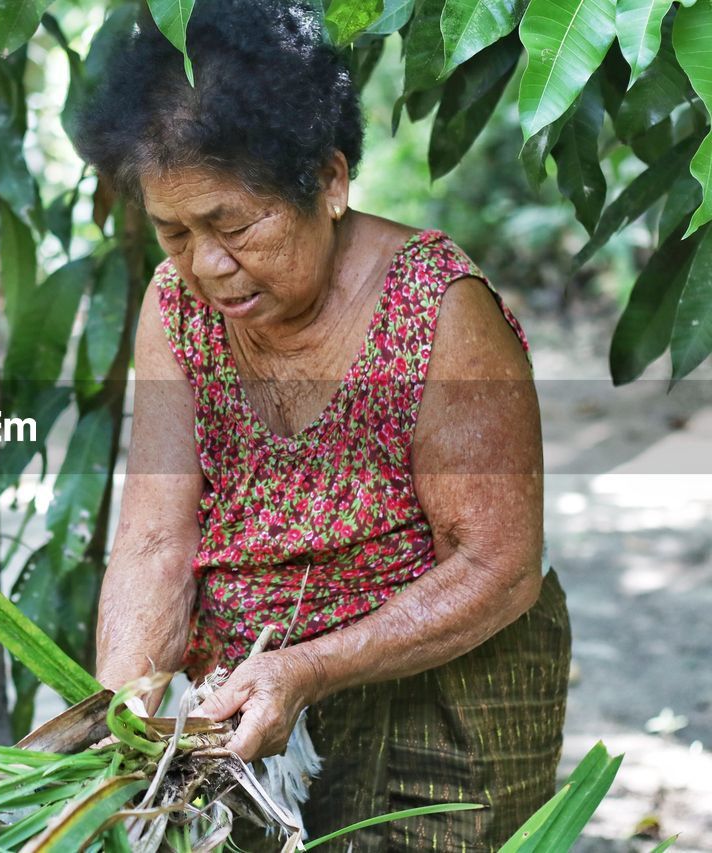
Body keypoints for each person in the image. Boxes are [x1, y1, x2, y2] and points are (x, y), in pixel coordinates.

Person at [71, 1, 571, 849]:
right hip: (243, 698)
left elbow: (499, 564)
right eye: (174, 233)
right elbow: (156, 541)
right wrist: (126, 711)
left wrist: (306, 668)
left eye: (234, 225)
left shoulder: (438, 310)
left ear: (330, 182)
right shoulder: (177, 308)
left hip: (444, 696)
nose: (209, 265)